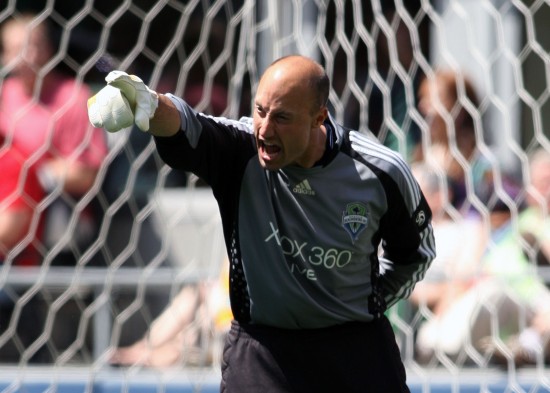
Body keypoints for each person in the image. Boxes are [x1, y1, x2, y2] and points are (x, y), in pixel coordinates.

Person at [88, 55, 435, 392]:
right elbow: (188, 124)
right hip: (263, 352)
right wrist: (147, 104)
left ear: (319, 118)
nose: (264, 129)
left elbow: (414, 253)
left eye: (282, 117)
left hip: (355, 351)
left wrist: (371, 300)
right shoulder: (240, 150)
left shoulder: (380, 171)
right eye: (260, 111)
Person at [0, 14, 108, 264]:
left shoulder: (73, 98)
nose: (27, 56)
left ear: (49, 50)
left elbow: (88, 175)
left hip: (56, 212)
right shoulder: (5, 96)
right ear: (5, 56)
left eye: (33, 46)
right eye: (16, 49)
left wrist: (32, 174)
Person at [415, 70, 493, 211]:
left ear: (460, 107)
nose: (424, 106)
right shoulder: (421, 155)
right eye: (423, 98)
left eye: (434, 99)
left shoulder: (481, 163)